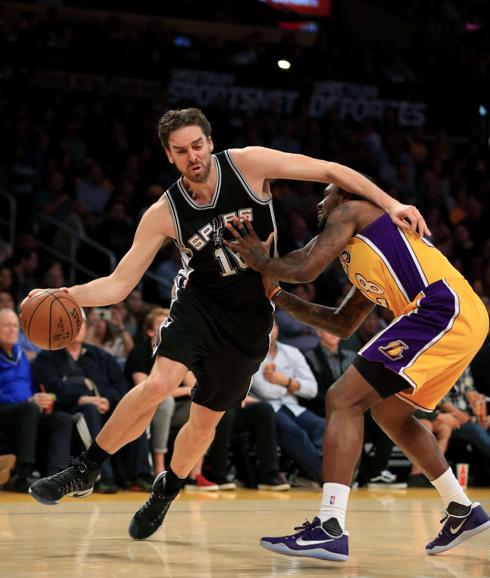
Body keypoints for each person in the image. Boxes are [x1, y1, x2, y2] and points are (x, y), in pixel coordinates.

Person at [26, 107, 425, 542]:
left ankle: (167, 491)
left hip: (252, 313)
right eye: (181, 151)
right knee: (160, 383)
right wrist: (61, 295)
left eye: (197, 145)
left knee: (203, 421)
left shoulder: (249, 164)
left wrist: (392, 204)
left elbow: (330, 169)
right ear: (170, 156)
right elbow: (119, 284)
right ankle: (86, 468)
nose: (192, 156)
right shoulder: (164, 212)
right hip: (200, 302)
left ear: (210, 143)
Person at [225, 182, 490, 560]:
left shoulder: (356, 212)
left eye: (328, 192)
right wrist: (276, 294)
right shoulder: (369, 251)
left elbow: (305, 265)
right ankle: (461, 509)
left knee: (342, 398)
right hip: (459, 316)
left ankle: (330, 526)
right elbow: (341, 323)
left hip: (441, 308)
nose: (320, 201)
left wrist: (262, 261)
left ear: (349, 195)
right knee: (390, 413)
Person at [0, 308, 73, 492]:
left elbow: (29, 386)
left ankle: (55, 477)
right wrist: (27, 401)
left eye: (15, 326)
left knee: (63, 419)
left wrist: (42, 398)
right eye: (6, 325)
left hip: (25, 411)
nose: (12, 330)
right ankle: (23, 475)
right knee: (30, 409)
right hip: (5, 409)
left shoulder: (21, 355)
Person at [251, 321, 323, 484]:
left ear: (278, 329)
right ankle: (322, 474)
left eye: (273, 327)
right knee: (295, 432)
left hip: (293, 406)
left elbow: (312, 389)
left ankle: (307, 472)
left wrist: (284, 381)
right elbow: (265, 391)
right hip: (269, 409)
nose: (269, 331)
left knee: (322, 426)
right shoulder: (251, 355)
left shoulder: (292, 352)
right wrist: (293, 385)